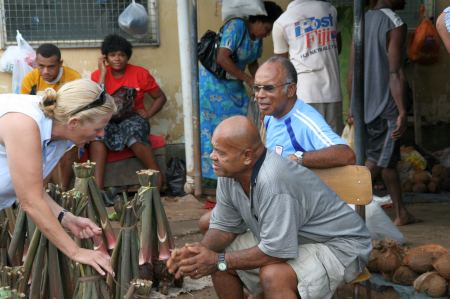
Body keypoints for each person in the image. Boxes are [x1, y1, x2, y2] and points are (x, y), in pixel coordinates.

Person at [168, 116, 371, 299]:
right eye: (213, 149)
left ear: (247, 156)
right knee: (216, 259)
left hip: (340, 246)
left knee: (273, 275)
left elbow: (276, 252)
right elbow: (224, 227)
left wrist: (216, 259)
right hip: (292, 239)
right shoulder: (229, 173)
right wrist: (197, 254)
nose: (212, 157)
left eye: (220, 152)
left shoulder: (274, 182)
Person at [198, 56, 355, 233]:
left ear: (291, 90)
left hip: (294, 206)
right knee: (208, 223)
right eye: (257, 88)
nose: (259, 95)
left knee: (213, 226)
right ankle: (226, 258)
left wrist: (299, 158)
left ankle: (228, 259)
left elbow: (346, 154)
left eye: (268, 88)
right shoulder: (272, 115)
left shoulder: (304, 119)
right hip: (268, 196)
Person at [0, 79, 115, 276]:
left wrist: (66, 217)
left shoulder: (63, 133)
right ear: (74, 123)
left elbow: (33, 190)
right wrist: (76, 252)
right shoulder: (23, 123)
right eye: (98, 128)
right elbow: (30, 201)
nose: (101, 134)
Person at [348, 0, 416, 225]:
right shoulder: (394, 22)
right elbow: (394, 71)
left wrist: (352, 108)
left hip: (364, 106)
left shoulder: (362, 20)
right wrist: (403, 110)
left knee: (387, 161)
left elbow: (351, 70)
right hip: (385, 107)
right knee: (376, 162)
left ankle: (401, 213)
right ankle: (345, 209)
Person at [200, 1, 283, 180]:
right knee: (216, 130)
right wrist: (247, 79)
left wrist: (261, 81)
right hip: (214, 85)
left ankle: (234, 170)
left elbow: (253, 63)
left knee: (239, 126)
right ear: (258, 20)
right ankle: (214, 177)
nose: (267, 34)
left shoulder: (257, 39)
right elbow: (222, 58)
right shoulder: (237, 26)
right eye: (267, 28)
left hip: (234, 83)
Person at [90, 34, 167, 189]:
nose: (117, 59)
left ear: (127, 57)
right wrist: (103, 73)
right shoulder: (97, 75)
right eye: (112, 55)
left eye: (122, 55)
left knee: (133, 132)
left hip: (133, 118)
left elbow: (160, 97)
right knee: (97, 135)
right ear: (106, 57)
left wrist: (148, 113)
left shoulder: (140, 73)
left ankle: (158, 180)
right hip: (107, 119)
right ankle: (97, 189)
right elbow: (95, 102)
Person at [272, 0, 343, 134]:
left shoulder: (281, 23)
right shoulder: (330, 10)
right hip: (333, 92)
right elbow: (337, 47)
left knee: (306, 146)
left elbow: (280, 66)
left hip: (304, 95)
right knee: (333, 146)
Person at [21, 43, 82, 191]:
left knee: (69, 149)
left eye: (51, 66)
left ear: (60, 64)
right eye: (41, 66)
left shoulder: (74, 78)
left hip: (65, 126)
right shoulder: (30, 79)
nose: (45, 71)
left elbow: (78, 111)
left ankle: (64, 192)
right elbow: (24, 110)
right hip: (38, 127)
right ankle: (40, 192)